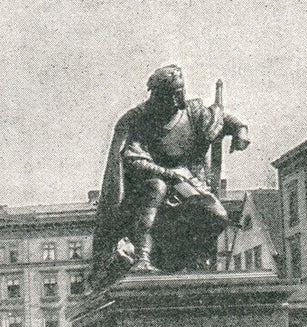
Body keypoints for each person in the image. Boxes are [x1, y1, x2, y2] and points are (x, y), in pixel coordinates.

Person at [91, 65, 249, 279]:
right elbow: (132, 158)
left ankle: (192, 258)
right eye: (169, 96)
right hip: (147, 181)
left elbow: (222, 119)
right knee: (156, 186)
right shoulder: (139, 119)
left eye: (179, 94)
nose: (176, 100)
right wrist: (166, 173)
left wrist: (241, 131)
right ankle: (142, 257)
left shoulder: (193, 113)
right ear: (156, 96)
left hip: (187, 181)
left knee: (218, 215)